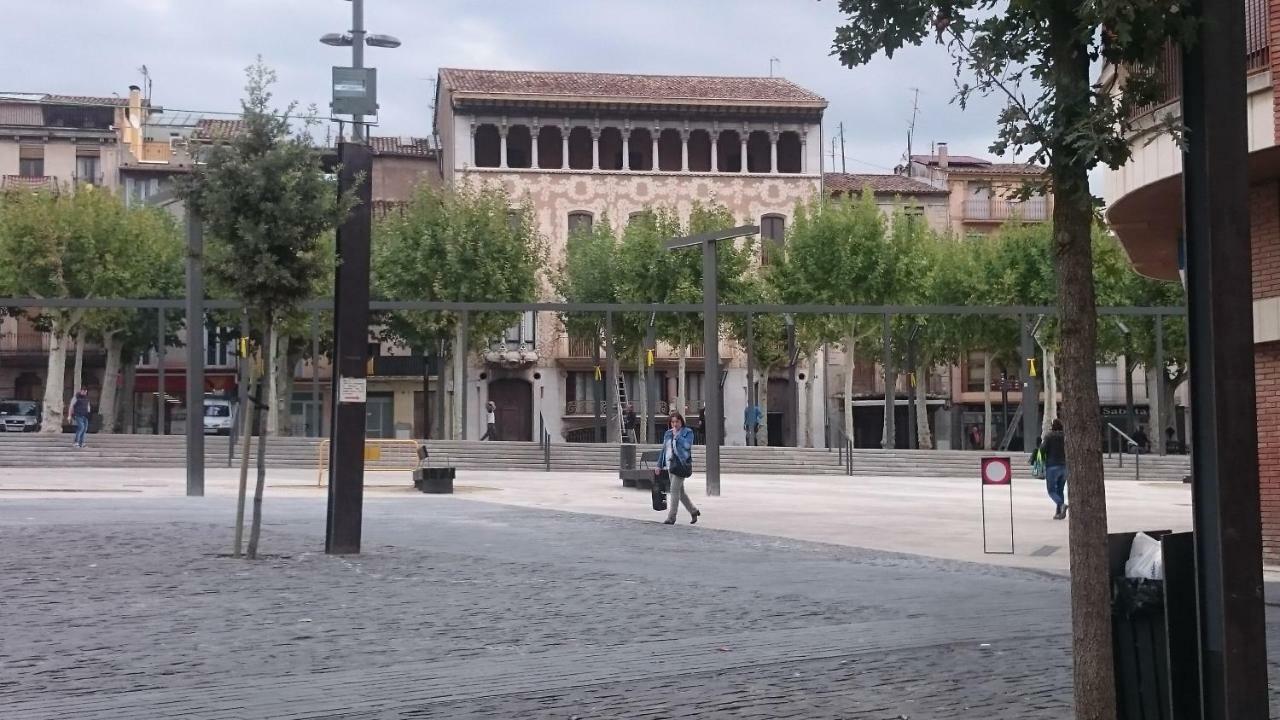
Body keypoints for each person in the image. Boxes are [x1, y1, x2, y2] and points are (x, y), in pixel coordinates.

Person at [656, 411, 700, 525]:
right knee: (681, 492)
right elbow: (664, 450)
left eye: (677, 421)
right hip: (670, 464)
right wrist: (659, 465)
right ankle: (693, 510)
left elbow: (687, 446)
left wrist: (678, 437)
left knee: (674, 490)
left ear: (681, 422)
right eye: (673, 422)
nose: (675, 424)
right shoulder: (668, 434)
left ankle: (671, 517)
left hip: (681, 465)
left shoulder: (687, 432)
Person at [1042, 418, 1068, 520]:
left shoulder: (1049, 436)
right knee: (1060, 490)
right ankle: (1059, 513)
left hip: (1052, 466)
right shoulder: (1066, 436)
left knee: (1051, 490)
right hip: (1065, 466)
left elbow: (1042, 449)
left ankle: (1061, 505)